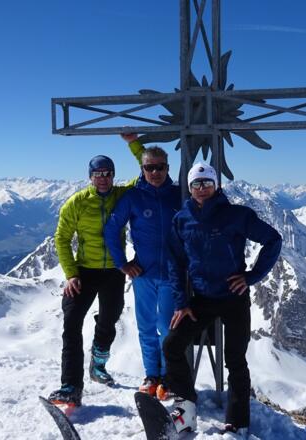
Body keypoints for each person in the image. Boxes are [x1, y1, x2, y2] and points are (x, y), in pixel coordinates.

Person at [162, 162, 283, 435]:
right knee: (172, 345)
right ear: (190, 188)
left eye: (206, 183)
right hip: (201, 298)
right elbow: (175, 262)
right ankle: (187, 407)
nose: (202, 189)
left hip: (234, 297)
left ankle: (237, 422)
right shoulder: (181, 219)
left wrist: (251, 277)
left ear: (216, 185)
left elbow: (273, 240)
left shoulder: (237, 215)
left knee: (235, 359)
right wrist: (181, 303)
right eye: (196, 184)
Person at [47, 141, 144, 408]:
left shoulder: (123, 195)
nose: (103, 178)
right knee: (72, 322)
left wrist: (134, 143)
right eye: (98, 174)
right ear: (90, 177)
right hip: (85, 272)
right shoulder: (76, 203)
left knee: (110, 318)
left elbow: (147, 169)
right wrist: (71, 274)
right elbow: (62, 238)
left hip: (114, 270)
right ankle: (71, 385)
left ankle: (98, 362)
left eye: (108, 173)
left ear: (114, 175)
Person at [103, 133, 181, 396]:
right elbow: (112, 230)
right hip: (144, 273)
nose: (155, 172)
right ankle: (152, 376)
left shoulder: (179, 194)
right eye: (150, 167)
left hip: (172, 274)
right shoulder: (133, 197)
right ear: (142, 169)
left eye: (160, 167)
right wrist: (122, 264)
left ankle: (168, 378)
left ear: (168, 168)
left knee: (167, 328)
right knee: (146, 326)